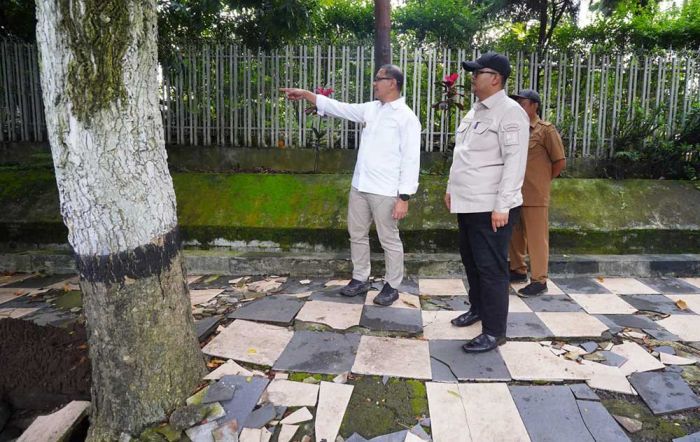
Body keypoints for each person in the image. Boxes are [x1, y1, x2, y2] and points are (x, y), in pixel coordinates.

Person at [280, 65, 421, 306]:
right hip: (360, 185)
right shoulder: (371, 109)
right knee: (357, 234)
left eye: (379, 79)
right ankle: (360, 278)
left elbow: (411, 159)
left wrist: (404, 197)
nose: (375, 83)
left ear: (393, 83)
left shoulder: (406, 117)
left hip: (386, 191)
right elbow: (339, 108)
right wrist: (306, 94)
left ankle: (392, 285)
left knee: (389, 239)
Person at [446, 52, 529, 353]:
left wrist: (502, 206)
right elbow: (464, 154)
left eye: (477, 72)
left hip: (491, 206)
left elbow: (515, 162)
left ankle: (495, 331)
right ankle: (478, 309)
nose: (472, 77)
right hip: (468, 202)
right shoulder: (476, 111)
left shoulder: (509, 112)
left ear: (495, 78)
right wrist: (450, 187)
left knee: (492, 268)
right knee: (472, 263)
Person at [508, 89, 567, 297]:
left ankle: (539, 280)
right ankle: (517, 270)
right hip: (514, 191)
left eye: (523, 103)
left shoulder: (546, 130)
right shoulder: (515, 128)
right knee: (514, 235)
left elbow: (559, 161)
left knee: (536, 238)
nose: (519, 107)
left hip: (535, 194)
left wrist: (542, 181)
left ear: (535, 105)